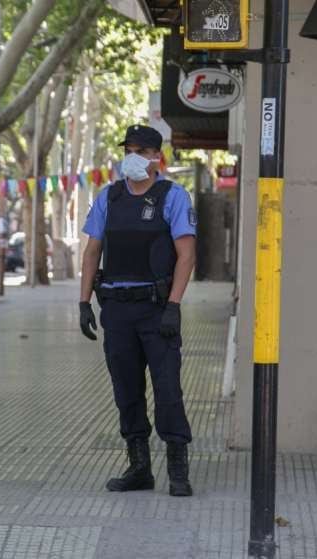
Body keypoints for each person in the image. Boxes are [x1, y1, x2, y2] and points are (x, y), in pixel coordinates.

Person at [78, 124, 196, 497]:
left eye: (140, 150)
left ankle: (177, 467)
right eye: (128, 148)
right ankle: (139, 467)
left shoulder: (172, 196)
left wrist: (174, 305)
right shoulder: (109, 197)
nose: (132, 155)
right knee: (126, 391)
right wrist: (83, 302)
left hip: (157, 309)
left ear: (155, 157)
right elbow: (92, 251)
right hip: (117, 310)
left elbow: (186, 254)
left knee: (167, 390)